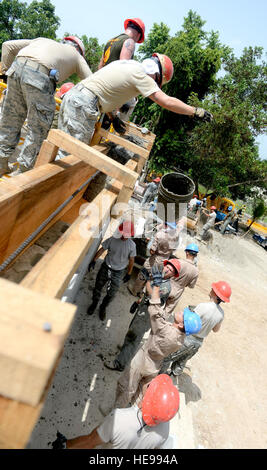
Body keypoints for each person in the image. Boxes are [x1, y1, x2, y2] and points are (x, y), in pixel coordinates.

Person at [56, 52, 213, 159]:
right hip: (83, 104)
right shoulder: (141, 75)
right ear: (156, 75)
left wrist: (113, 117)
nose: (154, 84)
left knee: (60, 150)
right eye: (157, 82)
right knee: (70, 155)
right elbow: (166, 101)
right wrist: (194, 111)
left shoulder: (129, 65)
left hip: (75, 98)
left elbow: (104, 91)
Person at [0, 36, 91, 176]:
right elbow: (91, 83)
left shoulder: (41, 40)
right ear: (79, 50)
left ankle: (1, 164)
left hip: (16, 68)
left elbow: (7, 45)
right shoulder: (76, 56)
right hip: (39, 76)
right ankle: (22, 172)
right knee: (37, 129)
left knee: (10, 121)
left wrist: (5, 73)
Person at [114, 266, 202, 408]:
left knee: (126, 387)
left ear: (181, 325)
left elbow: (154, 310)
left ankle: (115, 413)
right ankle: (133, 411)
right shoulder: (180, 338)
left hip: (143, 359)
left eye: (183, 315)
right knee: (139, 393)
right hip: (154, 365)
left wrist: (155, 284)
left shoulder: (164, 330)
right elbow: (162, 318)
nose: (180, 311)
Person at [51, 374, 179, 450]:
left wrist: (65, 444)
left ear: (148, 399)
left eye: (151, 386)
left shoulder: (120, 419)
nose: (150, 382)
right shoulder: (164, 431)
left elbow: (90, 441)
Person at [105, 258, 181, 372]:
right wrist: (139, 301)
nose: (167, 270)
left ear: (173, 275)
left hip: (147, 314)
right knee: (131, 331)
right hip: (143, 308)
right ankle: (125, 352)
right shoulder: (159, 279)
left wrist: (149, 281)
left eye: (171, 270)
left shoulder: (166, 287)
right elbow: (147, 295)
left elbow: (152, 295)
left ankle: (119, 363)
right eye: (167, 267)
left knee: (133, 337)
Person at [161, 281, 232, 376]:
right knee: (181, 362)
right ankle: (172, 377)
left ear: (215, 293)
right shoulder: (221, 313)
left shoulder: (203, 306)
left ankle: (158, 378)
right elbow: (215, 330)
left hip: (188, 338)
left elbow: (190, 322)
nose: (211, 289)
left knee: (167, 357)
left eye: (213, 289)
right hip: (198, 343)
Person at [87, 221, 136, 321]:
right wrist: (94, 260)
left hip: (118, 272)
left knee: (112, 293)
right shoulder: (113, 239)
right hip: (106, 267)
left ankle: (103, 307)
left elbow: (132, 260)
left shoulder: (132, 245)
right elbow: (102, 249)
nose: (125, 235)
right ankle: (94, 304)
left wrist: (129, 273)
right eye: (124, 232)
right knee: (98, 287)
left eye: (127, 234)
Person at [131, 220, 179, 296]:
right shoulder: (176, 237)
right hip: (163, 261)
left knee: (143, 274)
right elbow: (174, 250)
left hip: (154, 259)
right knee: (152, 279)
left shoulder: (160, 234)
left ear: (166, 225)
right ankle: (143, 295)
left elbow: (152, 251)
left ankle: (135, 291)